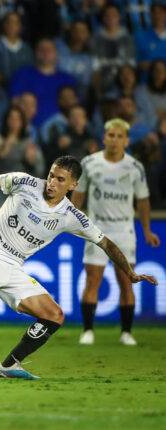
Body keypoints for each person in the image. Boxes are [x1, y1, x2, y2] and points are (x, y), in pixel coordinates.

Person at [0, 156, 158, 380]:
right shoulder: (24, 183)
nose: (52, 183)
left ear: (73, 185)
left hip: (14, 266)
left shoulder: (71, 216)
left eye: (60, 179)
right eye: (50, 175)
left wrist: (130, 272)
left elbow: (106, 243)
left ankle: (10, 364)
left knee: (54, 315)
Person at [72, 118, 161, 346]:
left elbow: (142, 201)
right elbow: (79, 195)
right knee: (93, 279)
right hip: (97, 229)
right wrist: (72, 220)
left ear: (127, 141)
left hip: (124, 230)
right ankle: (88, 330)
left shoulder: (134, 167)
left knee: (126, 281)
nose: (114, 140)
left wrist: (147, 230)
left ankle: (126, 332)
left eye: (120, 136)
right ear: (104, 137)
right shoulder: (90, 163)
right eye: (111, 135)